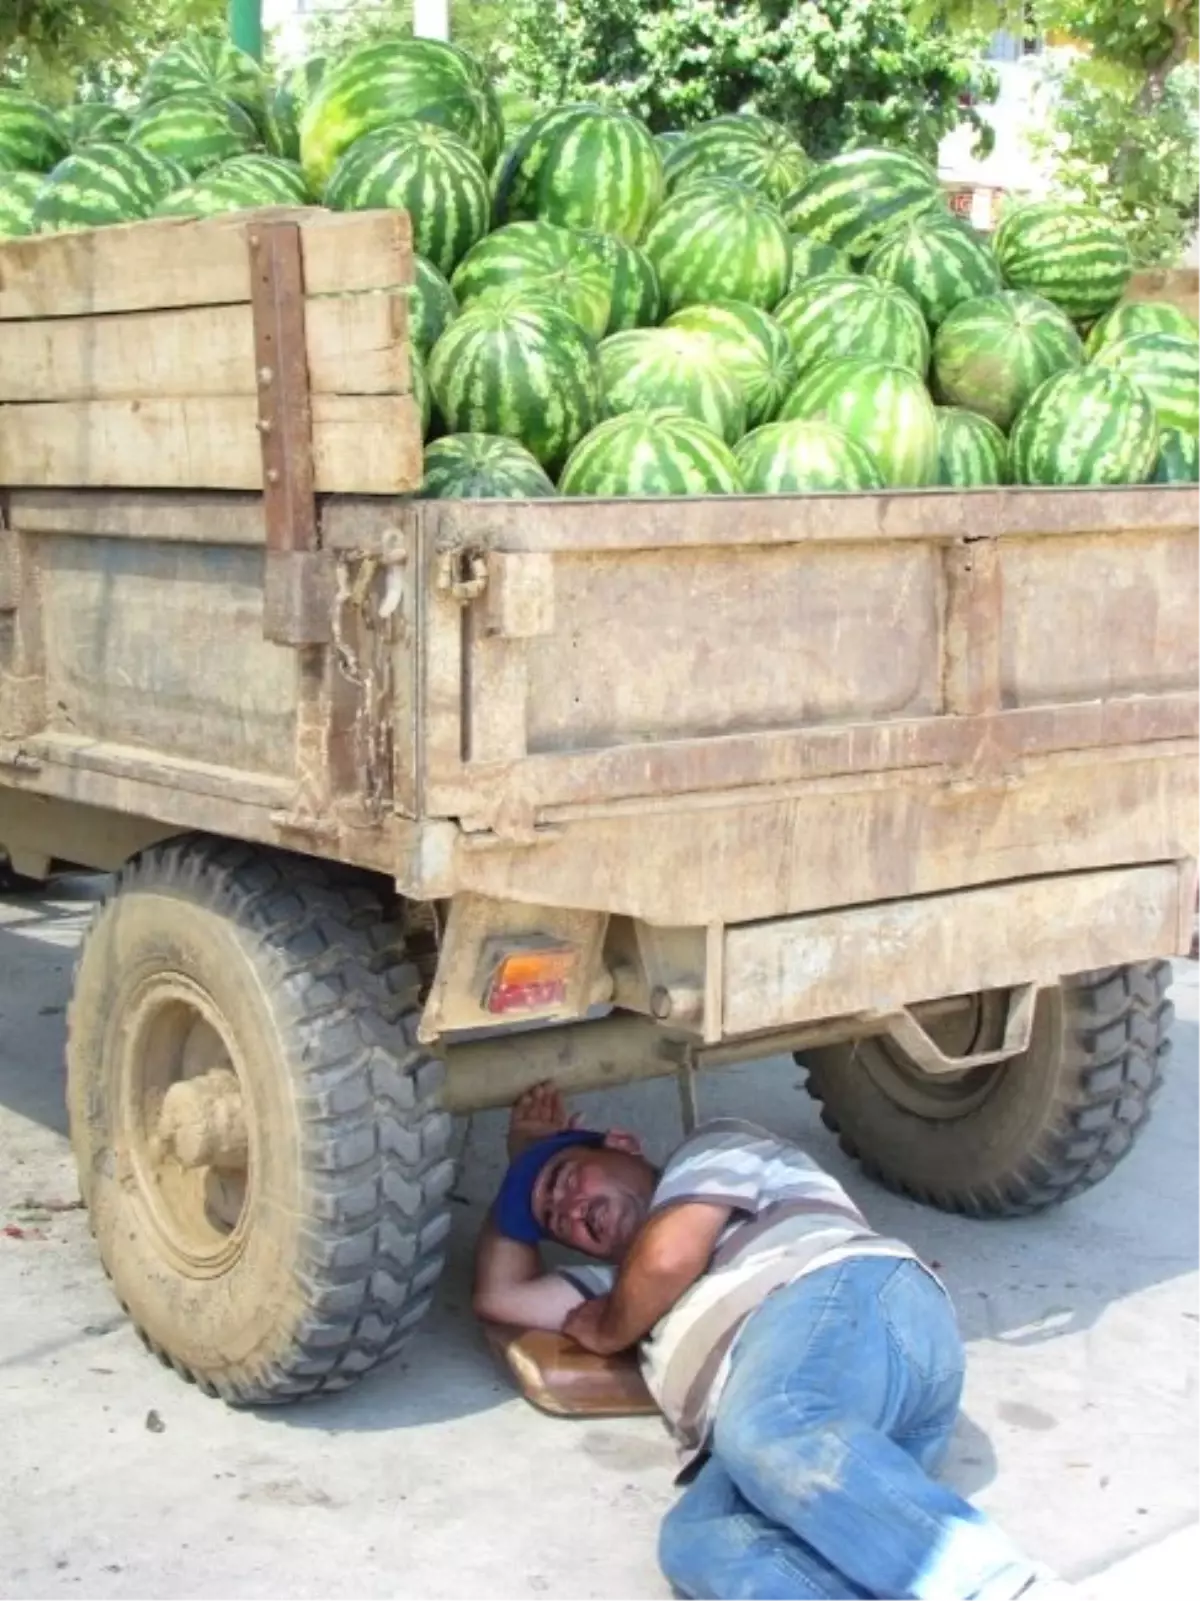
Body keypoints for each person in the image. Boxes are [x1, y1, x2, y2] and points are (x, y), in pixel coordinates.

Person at [473, 1081, 1076, 1601]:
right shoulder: (610, 1284)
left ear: (623, 1145)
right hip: (822, 1437)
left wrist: (609, 1328)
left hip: (851, 1304)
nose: (573, 1209)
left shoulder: (713, 1149)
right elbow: (501, 1295)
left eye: (569, 1179)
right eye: (555, 1220)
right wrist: (518, 1171)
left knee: (773, 1423)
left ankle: (1000, 1588)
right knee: (702, 1540)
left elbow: (668, 1257)